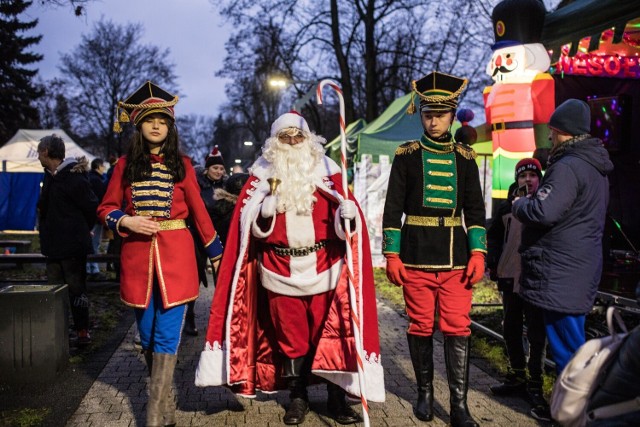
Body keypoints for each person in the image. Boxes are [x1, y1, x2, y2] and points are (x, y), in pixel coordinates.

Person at [195, 111, 385, 425]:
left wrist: (347, 215)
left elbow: (345, 225)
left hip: (325, 267)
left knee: (331, 334)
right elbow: (247, 229)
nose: (293, 141)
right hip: (278, 268)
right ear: (275, 142)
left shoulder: (328, 172)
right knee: (291, 337)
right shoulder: (260, 177)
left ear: (308, 139)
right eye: (286, 136)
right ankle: (298, 397)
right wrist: (264, 214)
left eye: (298, 135)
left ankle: (337, 399)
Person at [97, 81, 223, 427]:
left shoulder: (183, 164)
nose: (157, 126)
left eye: (163, 121)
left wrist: (217, 255)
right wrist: (127, 220)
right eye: (150, 121)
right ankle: (164, 405)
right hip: (137, 260)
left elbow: (199, 211)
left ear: (170, 127)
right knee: (148, 334)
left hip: (177, 260)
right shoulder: (124, 165)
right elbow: (105, 207)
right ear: (139, 126)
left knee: (167, 334)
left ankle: (153, 417)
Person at [383, 71, 487, 427]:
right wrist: (391, 254)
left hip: (456, 258)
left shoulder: (465, 157)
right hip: (414, 256)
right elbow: (392, 206)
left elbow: (475, 209)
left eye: (440, 114)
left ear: (452, 115)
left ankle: (459, 406)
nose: (433, 120)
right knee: (420, 326)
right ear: (421, 114)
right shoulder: (407, 155)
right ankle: (425, 393)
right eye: (428, 114)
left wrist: (478, 253)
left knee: (458, 328)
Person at [512, 99, 613, 416]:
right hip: (575, 269)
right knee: (573, 347)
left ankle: (576, 415)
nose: (549, 139)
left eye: (552, 132)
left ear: (562, 132)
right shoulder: (594, 167)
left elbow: (544, 210)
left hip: (560, 274)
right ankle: (573, 411)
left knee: (568, 352)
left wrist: (519, 204)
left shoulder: (569, 167)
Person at [486, 158, 549, 420]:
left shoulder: (546, 203)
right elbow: (495, 237)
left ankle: (535, 383)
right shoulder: (506, 206)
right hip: (511, 275)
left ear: (539, 178)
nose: (528, 180)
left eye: (532, 176)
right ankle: (516, 375)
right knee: (510, 327)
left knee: (536, 332)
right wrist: (493, 263)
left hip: (535, 278)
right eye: (523, 177)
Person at [37, 134, 99, 347]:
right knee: (54, 291)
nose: (38, 155)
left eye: (39, 151)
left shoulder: (74, 178)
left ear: (46, 152)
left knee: (76, 290)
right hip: (53, 247)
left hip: (72, 247)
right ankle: (58, 330)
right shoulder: (49, 177)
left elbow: (91, 207)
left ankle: (82, 331)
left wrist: (84, 229)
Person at [182, 146, 228, 336]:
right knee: (194, 278)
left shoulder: (226, 186)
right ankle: (189, 317)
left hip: (221, 238)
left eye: (221, 169)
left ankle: (220, 318)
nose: (218, 171)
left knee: (222, 279)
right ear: (207, 168)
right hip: (198, 237)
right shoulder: (197, 184)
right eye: (215, 168)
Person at [86, 157, 107, 280]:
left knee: (90, 243)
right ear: (98, 166)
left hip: (89, 217)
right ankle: (94, 269)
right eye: (103, 166)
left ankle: (89, 268)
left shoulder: (88, 178)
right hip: (96, 217)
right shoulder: (98, 181)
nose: (104, 168)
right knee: (94, 244)